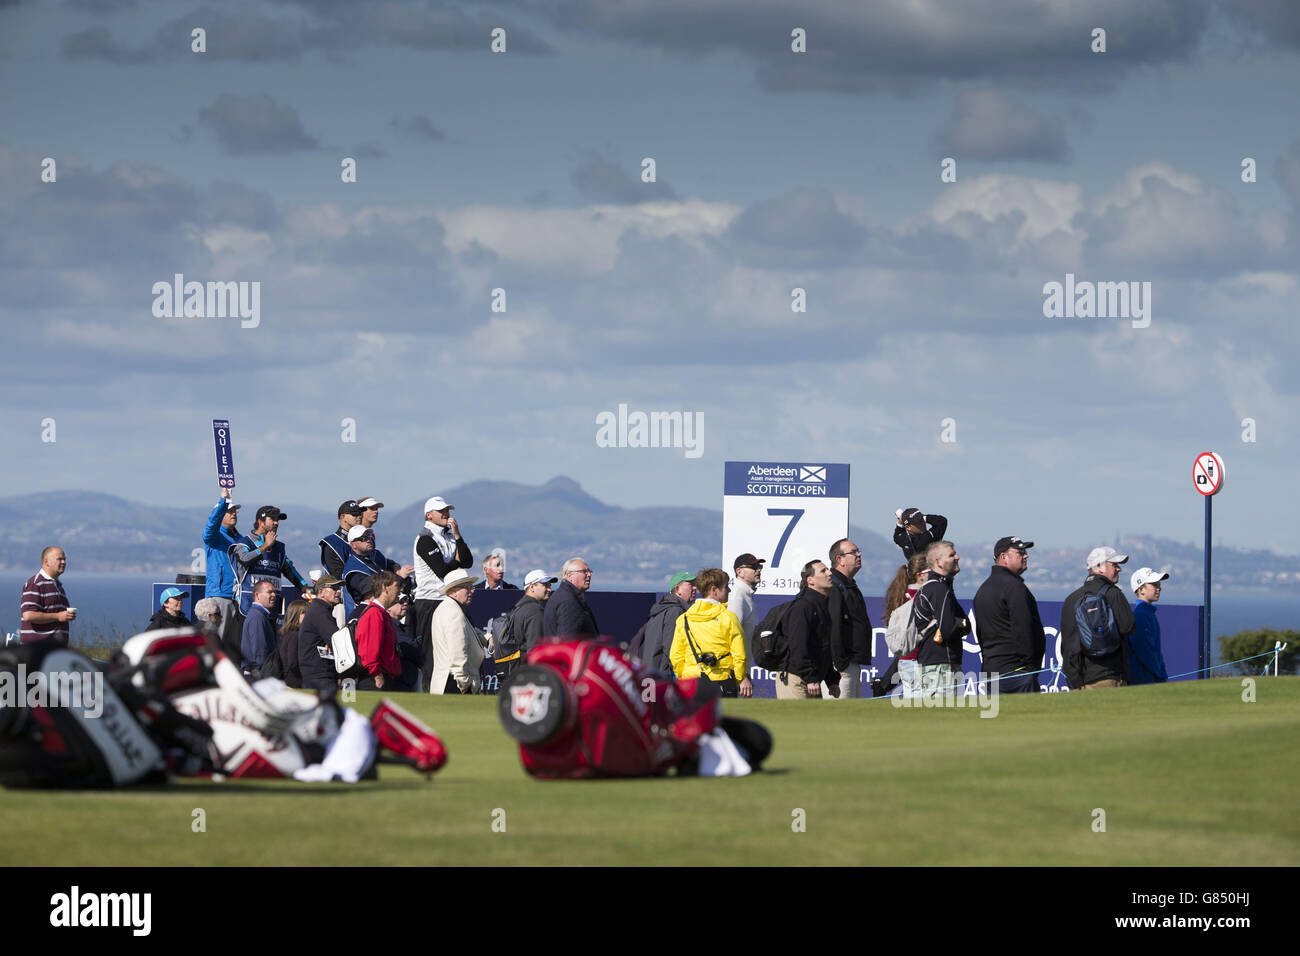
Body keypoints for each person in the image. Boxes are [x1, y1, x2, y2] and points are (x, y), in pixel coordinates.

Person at [972, 536, 1045, 694]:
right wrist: (1029, 667)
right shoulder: (1014, 587)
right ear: (1004, 557)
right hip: (1017, 672)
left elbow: (981, 635)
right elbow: (1024, 628)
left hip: (993, 671)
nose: (1026, 555)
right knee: (1027, 718)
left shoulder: (983, 589)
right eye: (1020, 552)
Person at [413, 495, 474, 680]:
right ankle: (428, 690)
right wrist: (456, 561)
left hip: (447, 599)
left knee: (457, 645)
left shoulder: (449, 535)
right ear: (429, 515)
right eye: (441, 511)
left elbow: (468, 561)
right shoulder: (425, 539)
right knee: (431, 654)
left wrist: (457, 535)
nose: (446, 514)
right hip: (429, 601)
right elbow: (441, 569)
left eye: (447, 510)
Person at [1061, 546, 1136, 690]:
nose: (1119, 569)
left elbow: (1067, 645)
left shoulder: (1071, 599)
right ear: (1099, 567)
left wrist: (1074, 680)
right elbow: (1129, 626)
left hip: (1080, 679)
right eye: (1114, 565)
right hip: (1109, 677)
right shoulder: (1113, 593)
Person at [668, 568, 750, 697]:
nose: (729, 590)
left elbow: (676, 656)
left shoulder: (683, 619)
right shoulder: (728, 617)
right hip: (722, 681)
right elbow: (739, 655)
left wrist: (684, 677)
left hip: (692, 682)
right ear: (714, 589)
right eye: (725, 586)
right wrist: (739, 678)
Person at [911, 541, 971, 697]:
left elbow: (966, 624)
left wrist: (960, 623)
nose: (957, 557)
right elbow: (948, 629)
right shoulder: (937, 588)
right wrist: (958, 623)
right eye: (951, 555)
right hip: (939, 666)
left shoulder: (942, 588)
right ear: (938, 562)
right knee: (942, 719)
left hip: (937, 665)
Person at [229, 505, 309, 616]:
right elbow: (244, 559)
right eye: (272, 519)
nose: (276, 523)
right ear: (260, 522)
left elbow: (289, 570)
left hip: (271, 609)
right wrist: (266, 545)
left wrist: (306, 588)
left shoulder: (278, 547)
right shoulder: (245, 542)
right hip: (247, 607)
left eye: (278, 520)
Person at [777, 560, 839, 699]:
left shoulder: (821, 605)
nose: (829, 573)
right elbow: (798, 646)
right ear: (810, 580)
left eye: (828, 569)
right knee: (794, 721)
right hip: (796, 680)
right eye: (823, 571)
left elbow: (823, 647)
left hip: (811, 680)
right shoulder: (802, 606)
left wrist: (831, 680)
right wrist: (810, 678)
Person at [827, 538, 872, 699]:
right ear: (839, 559)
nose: (859, 555)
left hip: (850, 664)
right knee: (838, 719)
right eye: (853, 552)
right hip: (840, 667)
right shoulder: (834, 585)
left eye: (858, 551)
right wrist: (839, 663)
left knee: (853, 718)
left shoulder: (848, 585)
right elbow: (832, 625)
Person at [880, 554, 929, 696]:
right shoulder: (922, 595)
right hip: (919, 659)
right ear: (920, 575)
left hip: (904, 660)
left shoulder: (901, 594)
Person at [429, 569, 484, 695]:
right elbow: (457, 652)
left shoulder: (445, 608)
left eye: (472, 587)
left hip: (447, 681)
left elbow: (465, 633)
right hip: (455, 684)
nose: (472, 591)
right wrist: (464, 683)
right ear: (453, 592)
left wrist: (485, 638)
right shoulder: (454, 613)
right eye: (467, 587)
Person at [493, 570, 555, 679]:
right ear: (531, 587)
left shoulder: (519, 607)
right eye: (545, 585)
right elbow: (535, 649)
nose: (549, 589)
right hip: (528, 675)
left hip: (516, 673)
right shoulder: (534, 610)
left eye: (549, 585)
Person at [631, 572, 695, 674]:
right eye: (691, 584)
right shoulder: (675, 611)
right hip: (663, 675)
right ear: (677, 589)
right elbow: (671, 648)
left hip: (650, 673)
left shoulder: (661, 609)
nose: (695, 588)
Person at [201, 488, 242, 646]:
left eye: (235, 511)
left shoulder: (240, 539)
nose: (233, 513)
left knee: (233, 648)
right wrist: (222, 502)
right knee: (215, 645)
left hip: (238, 599)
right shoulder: (214, 537)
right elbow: (210, 527)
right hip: (219, 596)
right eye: (229, 511)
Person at [354, 571, 404, 691]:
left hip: (383, 676)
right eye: (396, 586)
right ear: (385, 588)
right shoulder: (374, 614)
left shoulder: (380, 613)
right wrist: (377, 674)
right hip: (374, 680)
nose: (399, 591)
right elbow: (369, 649)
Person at [298, 573, 344, 693]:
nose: (338, 591)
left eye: (339, 588)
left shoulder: (321, 610)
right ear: (321, 591)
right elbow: (337, 640)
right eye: (334, 588)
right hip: (319, 675)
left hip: (318, 673)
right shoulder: (320, 611)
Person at [19, 547, 74, 645]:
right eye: (59, 559)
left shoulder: (58, 587)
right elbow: (28, 615)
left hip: (52, 652)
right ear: (46, 561)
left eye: (64, 559)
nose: (64, 562)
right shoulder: (35, 584)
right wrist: (58, 616)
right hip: (37, 652)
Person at [1128, 568, 1171, 685]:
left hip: (1150, 678)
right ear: (1141, 590)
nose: (1159, 588)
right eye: (1154, 585)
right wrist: (1161, 676)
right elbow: (1145, 651)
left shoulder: (1147, 613)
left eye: (1159, 584)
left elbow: (1155, 651)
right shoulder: (1140, 615)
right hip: (1143, 680)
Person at [542, 557, 600, 638]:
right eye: (584, 571)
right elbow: (567, 641)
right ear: (569, 576)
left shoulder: (564, 595)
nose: (589, 574)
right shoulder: (568, 602)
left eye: (589, 571)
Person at [240, 579, 280, 678]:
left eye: (274, 592)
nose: (274, 595)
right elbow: (259, 652)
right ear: (257, 595)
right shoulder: (257, 617)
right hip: (258, 675)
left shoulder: (258, 615)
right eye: (269, 592)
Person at [727, 554, 764, 660]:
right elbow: (732, 635)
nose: (758, 570)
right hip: (736, 670)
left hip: (742, 668)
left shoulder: (746, 594)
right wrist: (739, 673)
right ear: (739, 572)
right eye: (753, 567)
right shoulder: (737, 595)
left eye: (759, 567)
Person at [341, 526, 383, 617]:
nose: (368, 540)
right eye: (363, 538)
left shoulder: (368, 560)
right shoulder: (354, 570)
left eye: (369, 537)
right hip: (361, 618)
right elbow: (372, 592)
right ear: (353, 545)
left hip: (373, 613)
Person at [319, 500, 364, 579]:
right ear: (342, 517)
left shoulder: (365, 540)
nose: (359, 516)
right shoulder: (331, 543)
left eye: (360, 513)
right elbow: (338, 577)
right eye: (354, 514)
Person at [276, 600, 308, 688]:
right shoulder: (294, 636)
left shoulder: (289, 635)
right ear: (295, 615)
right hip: (294, 683)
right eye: (304, 613)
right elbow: (292, 662)